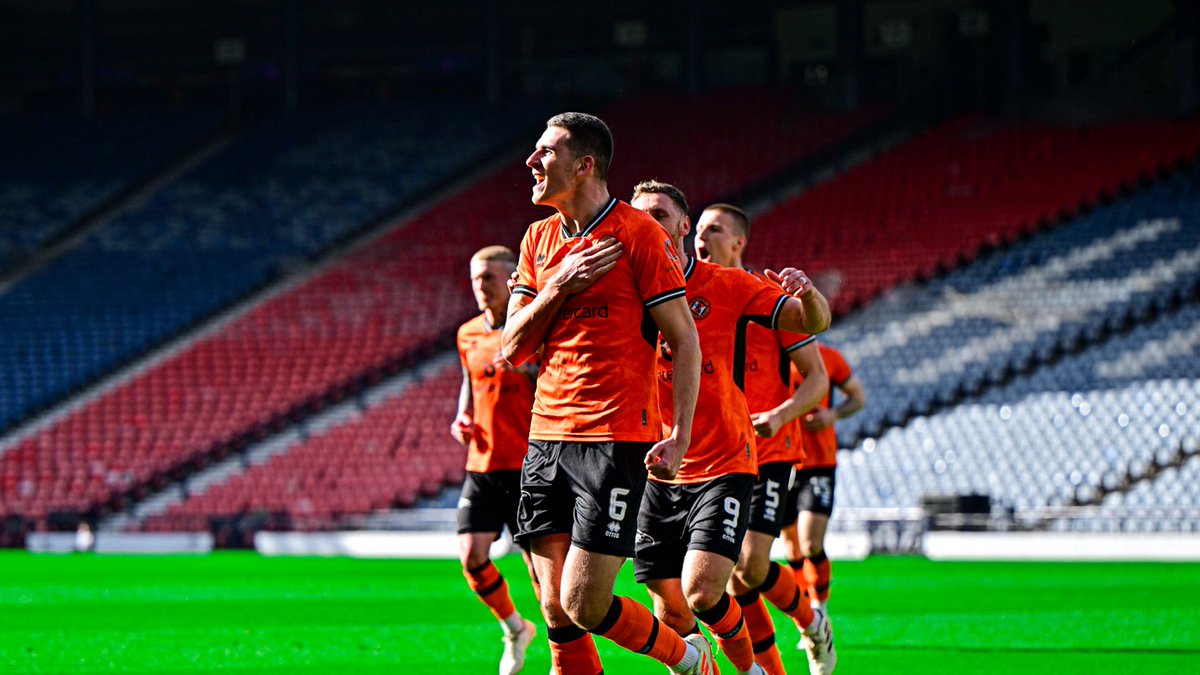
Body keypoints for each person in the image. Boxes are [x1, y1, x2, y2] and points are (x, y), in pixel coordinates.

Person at [501, 113, 710, 675]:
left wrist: (679, 436)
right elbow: (512, 347)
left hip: (614, 440)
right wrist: (561, 285)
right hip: (545, 436)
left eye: (545, 151)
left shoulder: (638, 235)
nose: (531, 161)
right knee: (553, 608)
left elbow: (684, 341)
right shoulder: (538, 239)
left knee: (584, 604)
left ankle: (689, 659)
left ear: (584, 164)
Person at [629, 180, 834, 675]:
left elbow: (817, 338)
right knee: (675, 610)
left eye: (659, 214)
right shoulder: (625, 288)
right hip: (659, 466)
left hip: (740, 454)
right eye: (638, 216)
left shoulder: (737, 289)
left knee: (730, 578)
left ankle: (797, 633)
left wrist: (807, 296)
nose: (645, 224)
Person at [696, 203, 836, 675]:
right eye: (697, 228)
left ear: (739, 242)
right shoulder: (686, 297)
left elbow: (816, 378)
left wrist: (781, 415)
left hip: (770, 449)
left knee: (750, 567)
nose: (702, 235)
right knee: (728, 581)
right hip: (714, 452)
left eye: (713, 229)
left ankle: (812, 621)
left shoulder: (763, 296)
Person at [451, 245, 542, 675]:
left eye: (488, 277)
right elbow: (470, 379)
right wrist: (462, 416)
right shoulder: (468, 333)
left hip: (529, 466)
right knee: (472, 556)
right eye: (474, 278)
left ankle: (566, 657)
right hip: (482, 463)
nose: (479, 287)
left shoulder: (533, 330)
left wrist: (528, 372)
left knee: (541, 577)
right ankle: (514, 628)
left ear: (510, 280)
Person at [781, 344, 866, 620]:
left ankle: (820, 608)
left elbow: (857, 397)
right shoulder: (773, 355)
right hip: (780, 462)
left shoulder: (829, 358)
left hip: (818, 461)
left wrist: (833, 414)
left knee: (810, 543)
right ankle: (805, 617)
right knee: (791, 546)